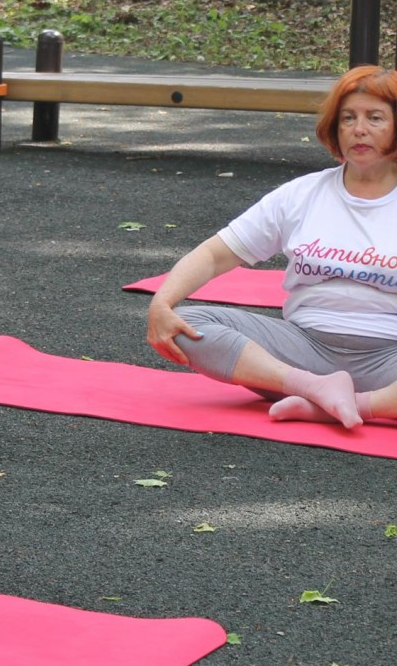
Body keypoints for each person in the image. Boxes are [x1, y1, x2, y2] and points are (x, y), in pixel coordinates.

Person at [147, 65, 397, 429]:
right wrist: (161, 302)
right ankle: (313, 387)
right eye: (348, 118)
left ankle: (352, 404)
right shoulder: (303, 194)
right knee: (190, 323)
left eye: (375, 118)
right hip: (302, 350)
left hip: (388, 357)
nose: (359, 129)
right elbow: (215, 254)